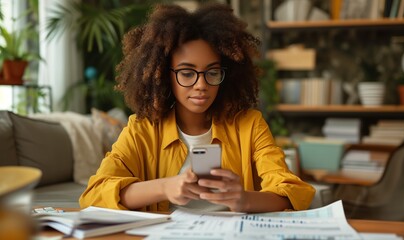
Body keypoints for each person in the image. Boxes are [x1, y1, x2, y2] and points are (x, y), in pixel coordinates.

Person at [79, 3, 315, 213]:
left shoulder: (250, 125)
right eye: (187, 73)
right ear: (163, 75)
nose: (201, 85)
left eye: (212, 72)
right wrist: (165, 187)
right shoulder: (141, 129)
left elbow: (290, 191)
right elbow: (94, 194)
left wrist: (244, 200)